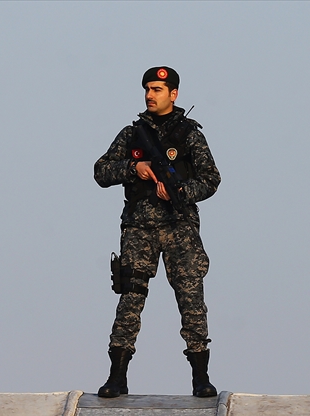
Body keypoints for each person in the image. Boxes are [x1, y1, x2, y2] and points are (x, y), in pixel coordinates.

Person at [93, 66, 222, 398]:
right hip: (139, 229)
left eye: (158, 89)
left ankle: (200, 377)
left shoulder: (190, 135)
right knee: (130, 300)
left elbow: (211, 180)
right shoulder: (132, 135)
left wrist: (179, 194)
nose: (150, 95)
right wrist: (134, 168)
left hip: (180, 229)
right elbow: (101, 170)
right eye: (148, 89)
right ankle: (117, 377)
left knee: (191, 301)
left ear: (173, 94)